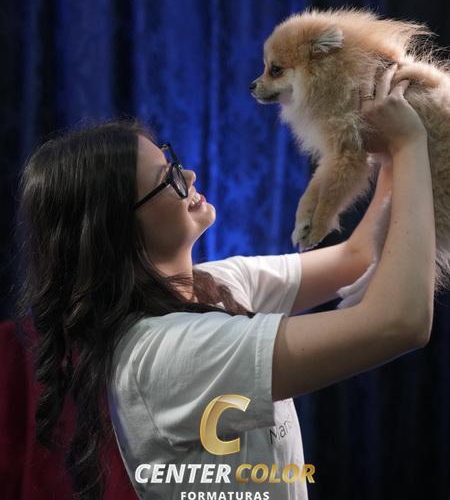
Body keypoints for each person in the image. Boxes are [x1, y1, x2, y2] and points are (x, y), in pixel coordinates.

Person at [14, 64, 435, 500]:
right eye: (167, 180)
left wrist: (389, 147)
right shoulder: (169, 352)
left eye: (173, 163)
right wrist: (409, 144)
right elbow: (399, 321)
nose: (189, 177)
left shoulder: (214, 284)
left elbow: (358, 256)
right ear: (116, 230)